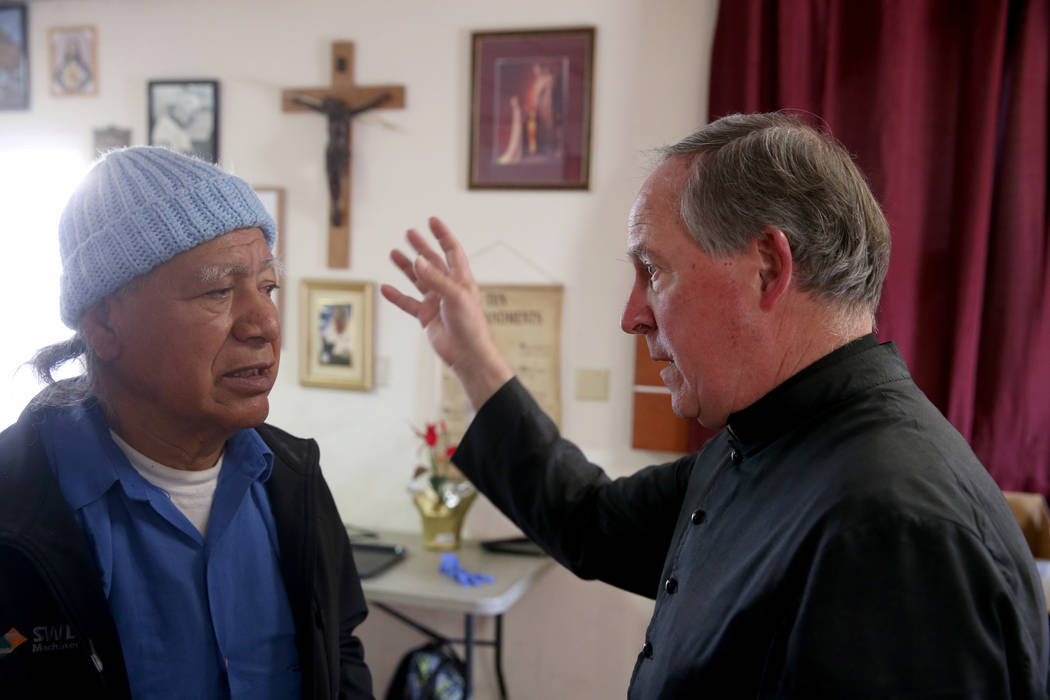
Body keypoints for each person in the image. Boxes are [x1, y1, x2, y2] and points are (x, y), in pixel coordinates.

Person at [382, 112, 1049, 697]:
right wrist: (472, 356)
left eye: (654, 270)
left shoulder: (892, 524)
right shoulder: (770, 437)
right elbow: (588, 521)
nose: (632, 316)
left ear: (766, 266)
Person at [0, 146, 373, 699]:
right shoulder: (17, 509)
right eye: (219, 291)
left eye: (267, 288)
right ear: (104, 324)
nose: (265, 322)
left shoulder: (294, 479)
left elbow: (337, 648)